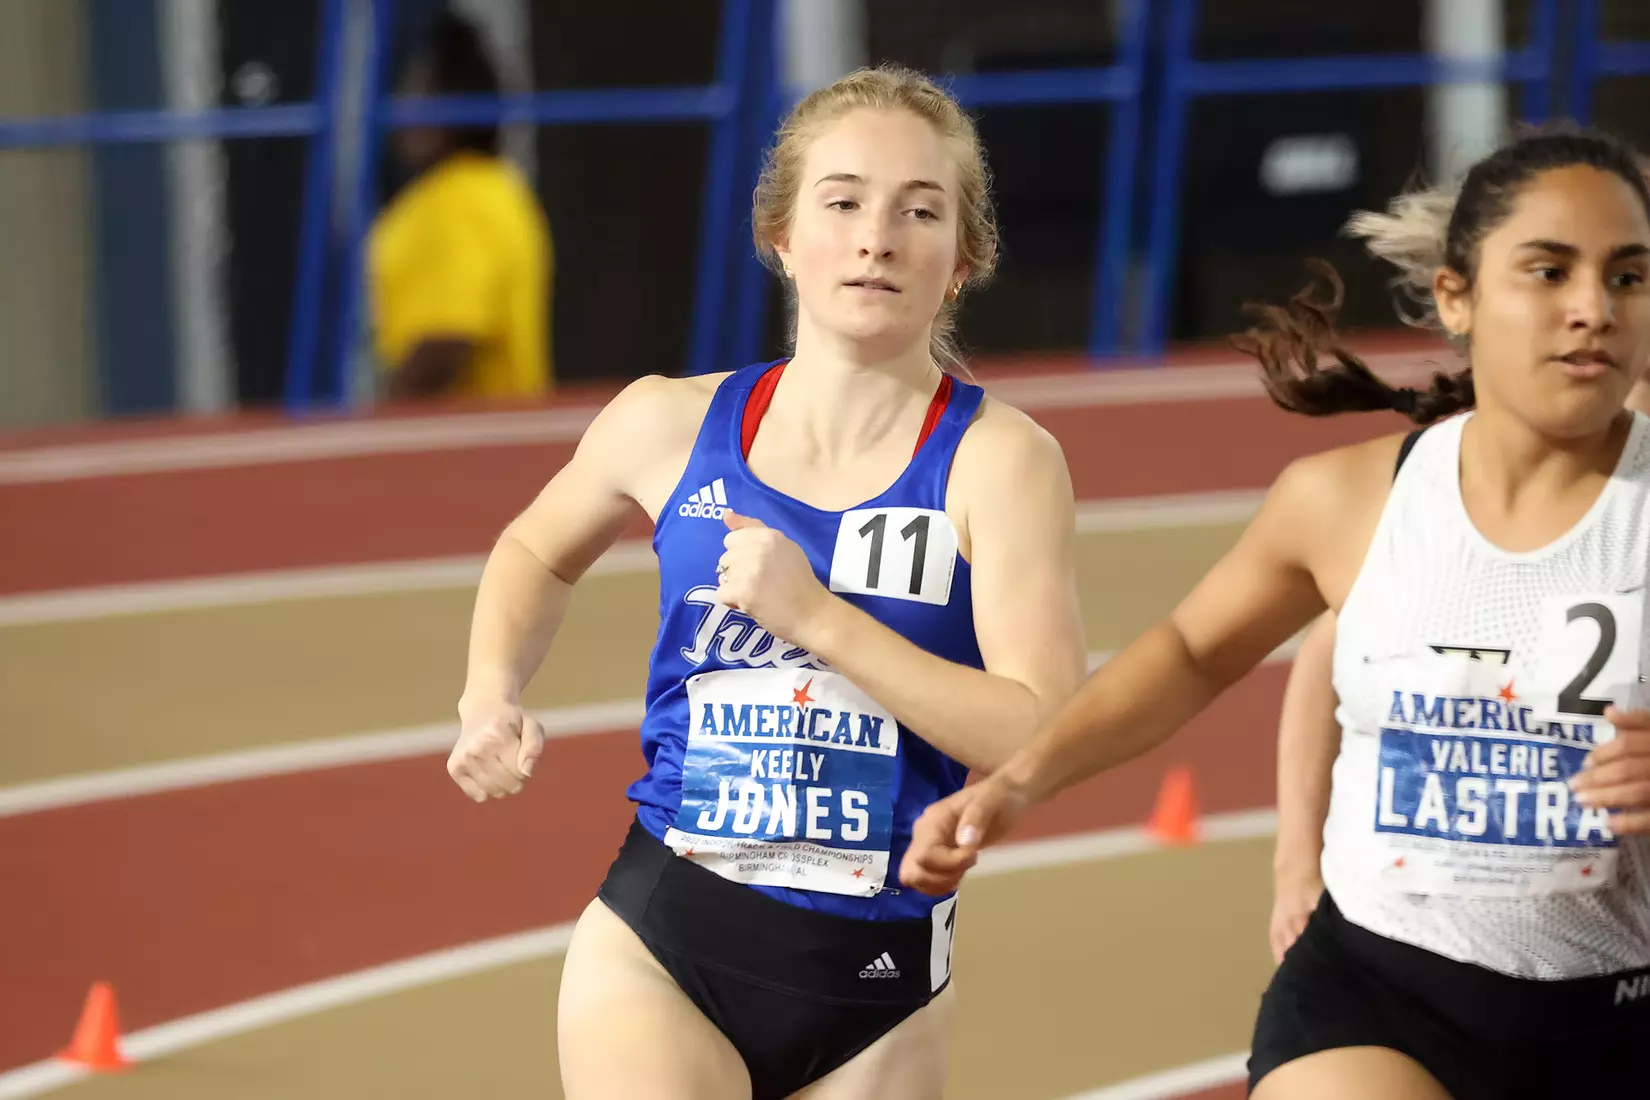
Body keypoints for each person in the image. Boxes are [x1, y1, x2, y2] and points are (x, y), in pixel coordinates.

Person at [898, 126, 1650, 1100]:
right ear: (1457, 295)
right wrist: (1016, 783)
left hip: (1615, 1013)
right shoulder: (1344, 503)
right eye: (1548, 272)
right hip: (1382, 992)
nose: (1592, 307)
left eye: (1628, 277)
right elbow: (1190, 649)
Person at [444, 64, 1086, 1100]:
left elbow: (1043, 732)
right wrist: (489, 692)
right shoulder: (665, 422)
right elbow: (532, 549)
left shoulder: (1000, 463)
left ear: (963, 260)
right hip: (665, 944)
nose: (877, 236)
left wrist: (820, 619)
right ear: (781, 235)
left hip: (879, 989)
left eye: (920, 211)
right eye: (843, 202)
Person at [1269, 374, 1650, 966]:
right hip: (1416, 955)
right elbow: (1326, 659)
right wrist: (1296, 864)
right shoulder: (1495, 465)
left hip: (1609, 963)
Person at [367, 8, 553, 401]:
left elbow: (444, 341)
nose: (404, 108)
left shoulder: (453, 200)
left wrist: (373, 429)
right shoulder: (500, 188)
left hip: (457, 441)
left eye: (418, 92)